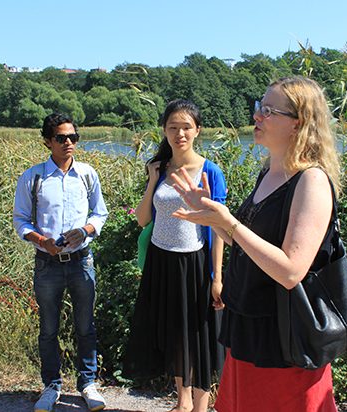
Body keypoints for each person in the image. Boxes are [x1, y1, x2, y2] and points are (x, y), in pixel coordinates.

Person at [171, 76, 340, 411]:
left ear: (298, 123)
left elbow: (291, 271)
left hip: (285, 341)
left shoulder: (312, 180)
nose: (256, 117)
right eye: (258, 107)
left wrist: (229, 222)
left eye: (268, 110)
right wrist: (215, 220)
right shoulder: (270, 172)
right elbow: (252, 248)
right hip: (248, 325)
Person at [122, 99, 227, 412]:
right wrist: (153, 180)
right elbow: (142, 219)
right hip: (161, 260)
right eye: (173, 127)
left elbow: (220, 229)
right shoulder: (160, 169)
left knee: (198, 333)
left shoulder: (210, 171)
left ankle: (200, 406)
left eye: (186, 127)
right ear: (164, 130)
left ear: (197, 130)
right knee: (173, 332)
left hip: (194, 262)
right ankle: (182, 402)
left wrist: (217, 277)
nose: (179, 133)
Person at [13, 113, 109, 412]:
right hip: (47, 265)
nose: (69, 142)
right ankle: (51, 386)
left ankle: (87, 384)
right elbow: (20, 220)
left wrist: (85, 231)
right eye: (61, 138)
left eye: (73, 137)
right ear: (47, 141)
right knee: (48, 328)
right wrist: (42, 242)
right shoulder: (34, 177)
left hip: (82, 261)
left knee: (85, 326)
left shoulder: (87, 174)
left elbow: (100, 213)